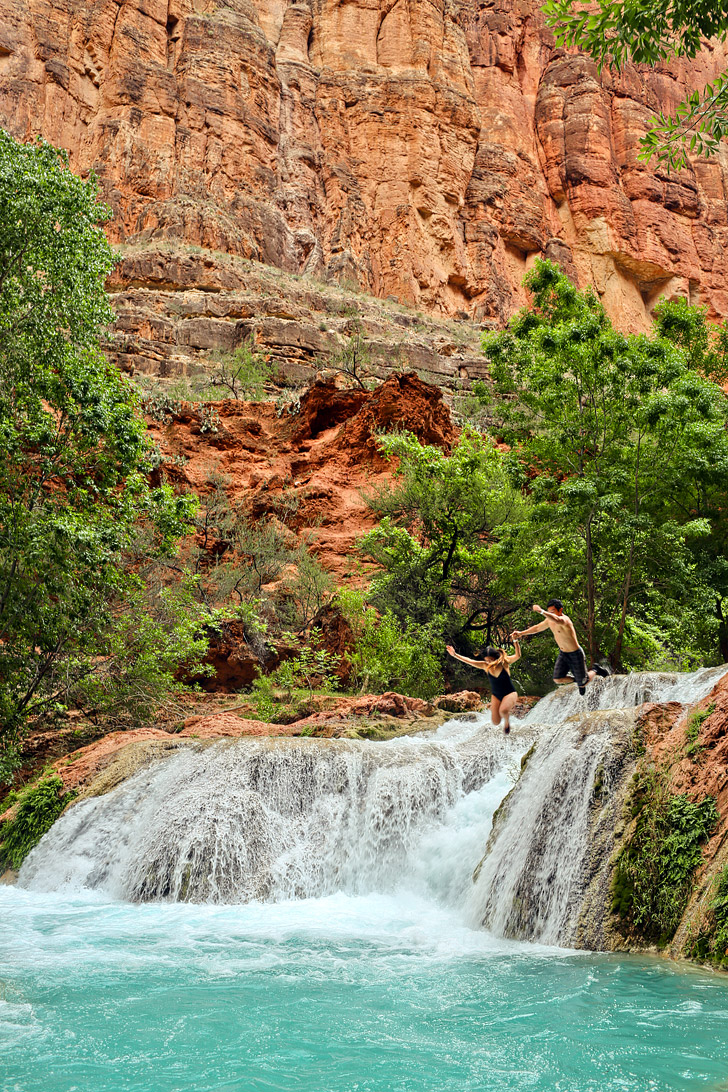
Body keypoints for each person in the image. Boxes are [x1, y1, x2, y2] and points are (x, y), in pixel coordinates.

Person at [511, 599, 610, 696]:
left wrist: (541, 611)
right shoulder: (549, 621)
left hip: (575, 653)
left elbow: (557, 620)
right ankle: (578, 680)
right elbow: (537, 628)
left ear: (560, 610)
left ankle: (596, 670)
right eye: (549, 612)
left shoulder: (565, 620)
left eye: (553, 612)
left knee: (583, 682)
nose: (551, 614)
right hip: (563, 654)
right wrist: (521, 633)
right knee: (557, 679)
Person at [446, 639, 522, 734]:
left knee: (503, 710)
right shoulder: (485, 666)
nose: (489, 662)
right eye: (487, 660)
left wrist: (515, 641)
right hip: (496, 695)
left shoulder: (504, 662)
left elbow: (518, 655)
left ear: (495, 657)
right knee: (495, 721)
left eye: (491, 660)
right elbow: (470, 661)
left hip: (509, 692)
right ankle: (503, 721)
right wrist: (455, 655)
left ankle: (507, 723)